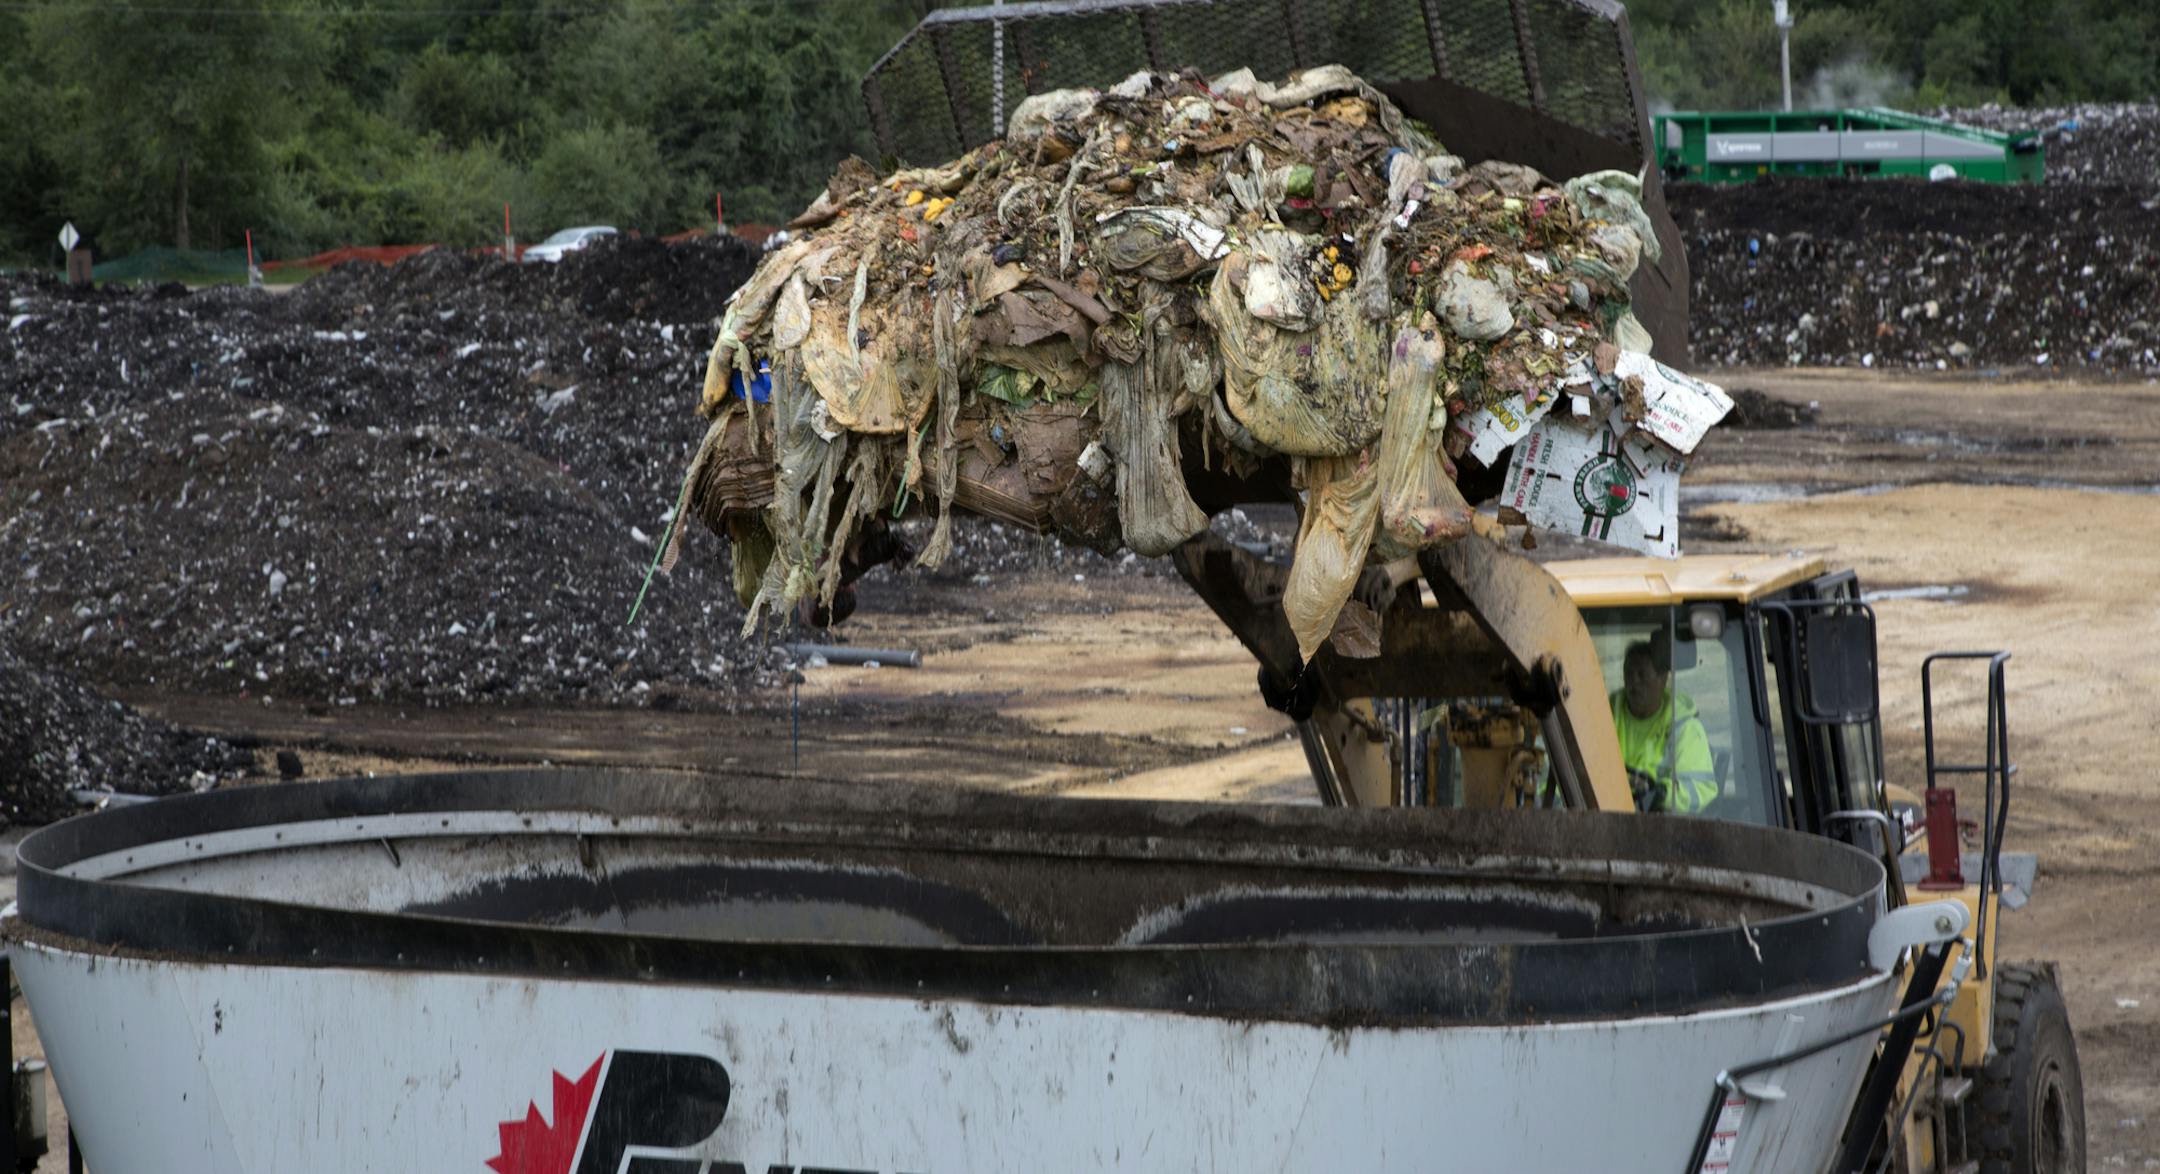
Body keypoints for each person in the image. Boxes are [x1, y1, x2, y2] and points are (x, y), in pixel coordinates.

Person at [1610, 639, 1718, 814]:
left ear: (1663, 678)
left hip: (1661, 823)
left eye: (1642, 675)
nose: (1634, 682)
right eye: (1628, 674)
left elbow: (1701, 789)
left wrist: (1660, 794)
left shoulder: (1683, 727)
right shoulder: (1604, 714)